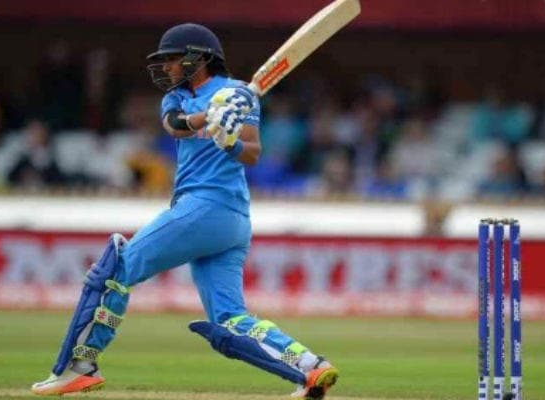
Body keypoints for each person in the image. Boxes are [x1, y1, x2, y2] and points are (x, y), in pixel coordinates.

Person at [31, 23, 338, 399]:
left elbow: (252, 153)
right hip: (226, 221)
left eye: (173, 59)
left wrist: (229, 142)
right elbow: (175, 126)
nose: (167, 67)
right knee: (230, 320)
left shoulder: (240, 94)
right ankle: (308, 367)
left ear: (199, 59)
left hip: (208, 207)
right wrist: (208, 116)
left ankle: (78, 367)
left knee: (115, 270)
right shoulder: (177, 98)